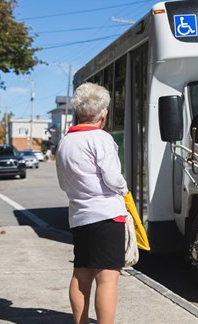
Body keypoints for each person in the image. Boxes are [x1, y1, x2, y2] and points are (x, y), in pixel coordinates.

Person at [55, 82, 128, 324]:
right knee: (107, 278)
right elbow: (112, 177)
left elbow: (64, 184)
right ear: (103, 112)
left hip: (79, 217)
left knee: (81, 274)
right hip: (106, 215)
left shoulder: (65, 142)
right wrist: (123, 188)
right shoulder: (101, 138)